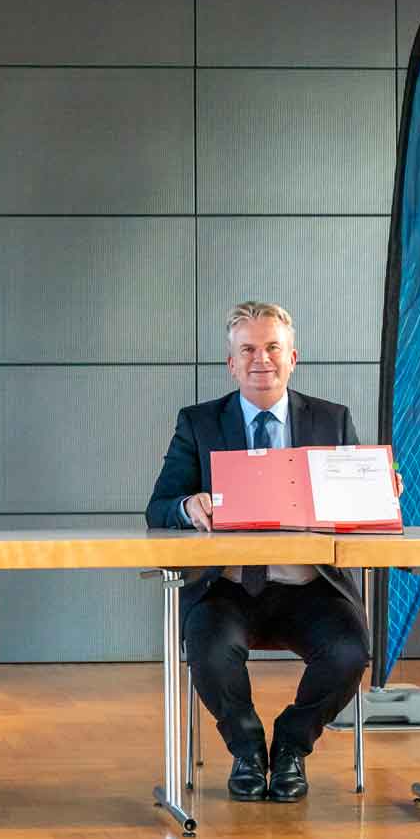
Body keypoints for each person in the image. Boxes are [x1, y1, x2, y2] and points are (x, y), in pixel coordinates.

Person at [145, 301, 374, 803]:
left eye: (272, 347)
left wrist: (375, 493)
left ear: (293, 357)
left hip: (310, 587)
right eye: (248, 349)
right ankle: (247, 748)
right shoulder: (200, 423)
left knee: (350, 652)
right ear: (231, 363)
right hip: (226, 589)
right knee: (209, 649)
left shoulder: (332, 420)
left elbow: (356, 509)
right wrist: (188, 505)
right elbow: (158, 507)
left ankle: (291, 745)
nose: (261, 359)